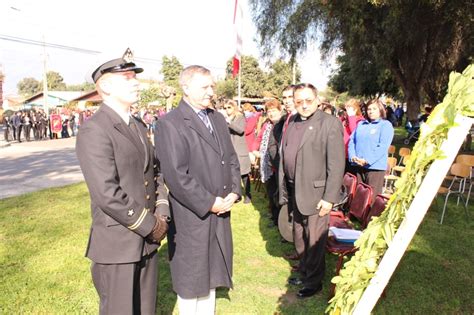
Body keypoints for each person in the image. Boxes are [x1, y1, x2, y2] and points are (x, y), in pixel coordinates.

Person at [76, 48, 170, 315]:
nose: (136, 82)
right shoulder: (95, 129)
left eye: (135, 77)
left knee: (146, 309)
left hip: (148, 240)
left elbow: (155, 172)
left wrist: (162, 212)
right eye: (128, 77)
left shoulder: (138, 125)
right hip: (118, 242)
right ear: (105, 85)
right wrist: (150, 224)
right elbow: (106, 192)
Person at [154, 65, 241, 315]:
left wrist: (235, 191)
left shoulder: (216, 118)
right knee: (192, 276)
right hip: (193, 214)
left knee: (212, 272)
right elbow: (176, 176)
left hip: (221, 208)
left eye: (212, 86)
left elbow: (231, 159)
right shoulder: (169, 124)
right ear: (186, 88)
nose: (211, 92)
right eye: (205, 87)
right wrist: (209, 202)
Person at [279, 83, 345, 298]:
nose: (304, 105)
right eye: (299, 101)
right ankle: (305, 271)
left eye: (308, 100)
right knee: (299, 235)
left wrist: (329, 198)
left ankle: (314, 282)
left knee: (314, 240)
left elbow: (336, 165)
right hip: (294, 190)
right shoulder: (293, 121)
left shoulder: (330, 124)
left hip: (317, 195)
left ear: (317, 100)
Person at [348, 99, 394, 197]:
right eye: (369, 109)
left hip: (375, 168)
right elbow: (352, 141)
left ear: (380, 110)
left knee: (370, 199)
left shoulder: (385, 125)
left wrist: (367, 160)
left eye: (374, 109)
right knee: (357, 197)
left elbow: (383, 146)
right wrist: (352, 156)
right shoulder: (361, 124)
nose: (371, 111)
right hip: (358, 165)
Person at [252, 99, 283, 227]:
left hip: (278, 165)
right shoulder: (267, 124)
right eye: (269, 111)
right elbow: (259, 138)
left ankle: (279, 220)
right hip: (267, 164)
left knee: (278, 194)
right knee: (271, 192)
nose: (271, 113)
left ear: (279, 111)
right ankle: (273, 216)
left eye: (274, 111)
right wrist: (254, 149)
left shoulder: (282, 124)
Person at [224, 99, 252, 203]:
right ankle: (237, 195)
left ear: (234, 107)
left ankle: (248, 195)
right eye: (225, 108)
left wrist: (229, 122)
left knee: (244, 174)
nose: (227, 110)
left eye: (229, 107)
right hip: (230, 149)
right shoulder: (226, 119)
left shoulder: (240, 117)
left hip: (240, 150)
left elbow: (240, 130)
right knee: (233, 174)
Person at [339, 98, 364, 173]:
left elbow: (355, 133)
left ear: (355, 109)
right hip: (340, 153)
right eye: (346, 108)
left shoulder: (360, 120)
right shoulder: (343, 120)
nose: (347, 111)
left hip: (351, 156)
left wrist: (351, 117)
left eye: (349, 108)